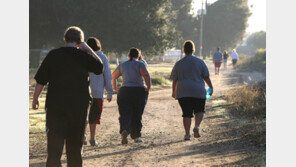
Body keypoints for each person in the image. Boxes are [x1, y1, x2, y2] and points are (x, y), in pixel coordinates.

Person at [32, 26, 103, 167]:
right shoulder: (84, 56)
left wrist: (35, 99)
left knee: (54, 146)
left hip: (55, 107)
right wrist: (88, 49)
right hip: (78, 107)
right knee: (75, 146)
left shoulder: (53, 55)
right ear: (80, 41)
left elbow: (40, 81)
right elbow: (99, 67)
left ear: (65, 39)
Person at [170, 40, 213, 141]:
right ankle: (197, 126)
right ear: (193, 49)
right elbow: (206, 77)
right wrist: (211, 87)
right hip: (198, 90)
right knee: (200, 110)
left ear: (184, 50)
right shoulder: (200, 62)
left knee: (186, 113)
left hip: (183, 91)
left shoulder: (179, 63)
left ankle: (187, 134)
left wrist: (173, 91)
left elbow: (174, 79)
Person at [112, 48, 151, 144]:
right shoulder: (140, 64)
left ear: (129, 55)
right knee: (137, 113)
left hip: (124, 91)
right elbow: (146, 75)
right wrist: (148, 86)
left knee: (124, 112)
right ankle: (136, 136)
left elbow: (113, 76)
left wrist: (115, 87)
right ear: (138, 56)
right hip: (138, 91)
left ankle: (124, 129)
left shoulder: (122, 65)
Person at [84, 37, 113, 147]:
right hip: (97, 91)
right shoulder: (102, 57)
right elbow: (107, 75)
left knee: (83, 114)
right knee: (94, 115)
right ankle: (92, 138)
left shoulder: (83, 56)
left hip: (83, 90)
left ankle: (83, 136)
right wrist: (109, 92)